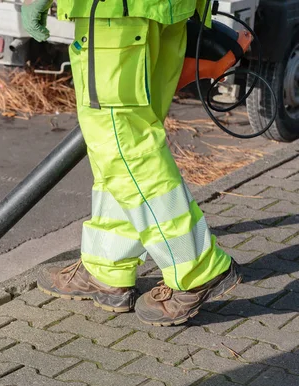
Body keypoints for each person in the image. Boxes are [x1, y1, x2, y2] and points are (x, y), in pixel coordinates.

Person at [21, 0, 241, 326]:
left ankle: (196, 267)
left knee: (122, 145)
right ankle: (107, 264)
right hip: (166, 10)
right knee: (124, 145)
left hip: (116, 15)